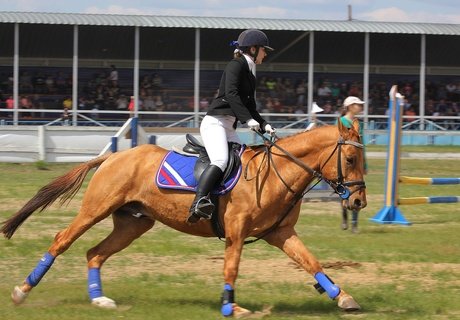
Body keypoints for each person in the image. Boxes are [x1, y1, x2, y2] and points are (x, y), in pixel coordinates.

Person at [187, 29, 276, 223]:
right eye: (263, 50)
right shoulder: (236, 65)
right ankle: (199, 201)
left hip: (228, 126)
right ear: (253, 49)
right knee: (220, 161)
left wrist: (265, 125)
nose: (265, 54)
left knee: (244, 158)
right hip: (215, 123)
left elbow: (250, 106)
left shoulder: (250, 73)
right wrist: (247, 120)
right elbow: (232, 95)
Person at [338, 96, 368, 233]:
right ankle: (345, 216)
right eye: (357, 104)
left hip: (358, 161)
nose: (360, 107)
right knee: (344, 190)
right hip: (347, 161)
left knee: (359, 190)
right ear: (350, 106)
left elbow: (362, 146)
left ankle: (354, 223)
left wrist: (364, 164)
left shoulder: (357, 123)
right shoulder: (342, 121)